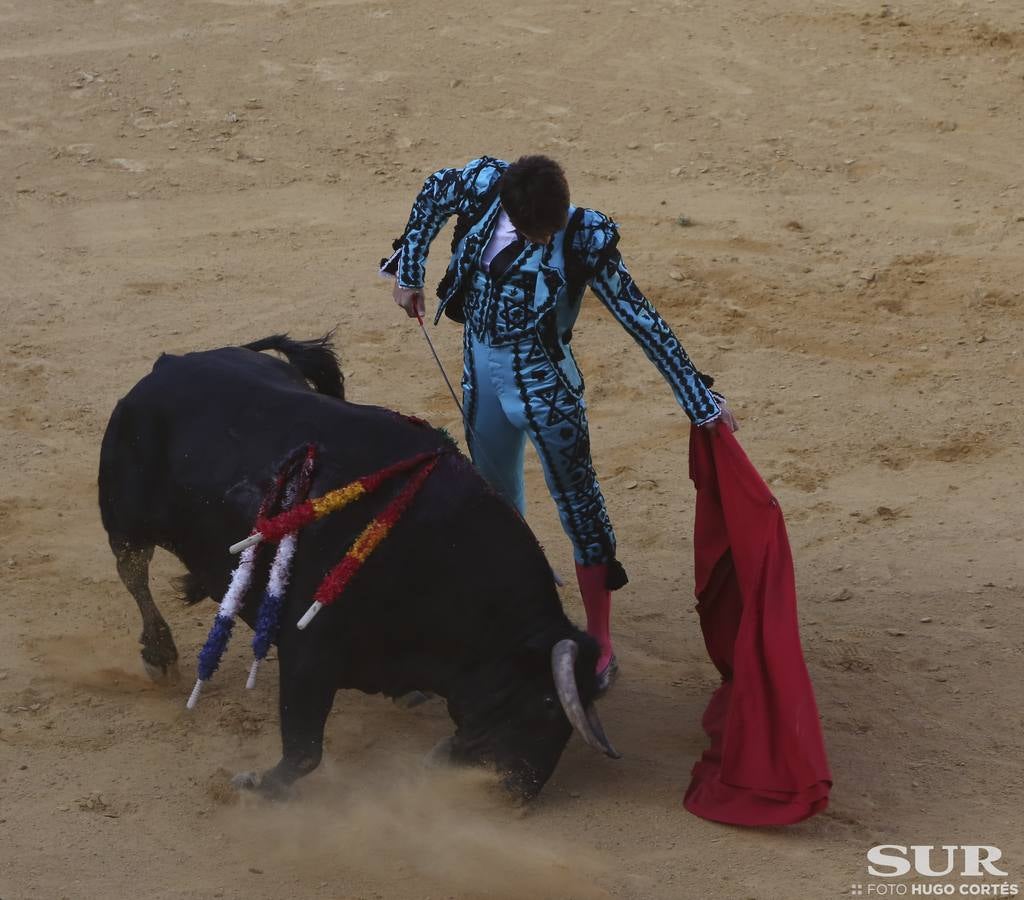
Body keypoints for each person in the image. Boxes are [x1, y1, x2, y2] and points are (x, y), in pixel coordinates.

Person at [381, 155, 736, 692]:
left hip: (546, 384)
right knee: (494, 498)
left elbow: (638, 316)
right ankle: (515, 595)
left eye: (554, 228)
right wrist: (409, 270)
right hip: (480, 368)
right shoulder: (484, 186)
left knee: (580, 506)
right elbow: (433, 192)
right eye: (538, 232)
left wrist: (698, 397)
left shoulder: (583, 237)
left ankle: (600, 638)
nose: (549, 240)